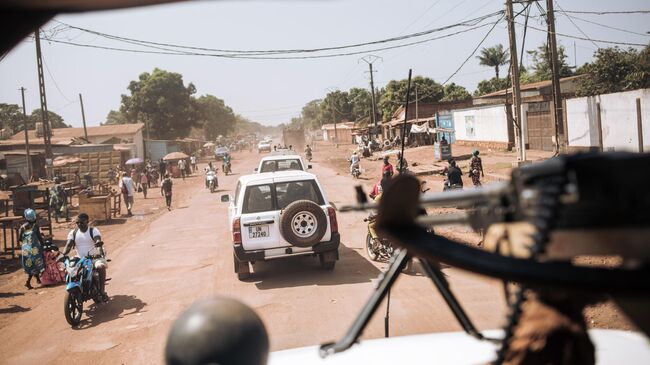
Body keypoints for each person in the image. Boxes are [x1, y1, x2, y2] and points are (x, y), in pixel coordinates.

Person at [63, 213, 108, 302]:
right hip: (80, 259)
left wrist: (98, 243)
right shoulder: (73, 232)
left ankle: (102, 291)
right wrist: (63, 254)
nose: (79, 224)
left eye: (82, 222)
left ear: (87, 221)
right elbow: (68, 245)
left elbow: (97, 239)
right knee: (69, 269)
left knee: (100, 267)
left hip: (94, 258)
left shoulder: (93, 230)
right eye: (77, 223)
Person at [18, 208, 45, 289]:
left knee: (30, 265)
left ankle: (37, 279)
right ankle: (28, 282)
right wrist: (43, 245)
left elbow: (19, 239)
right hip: (34, 249)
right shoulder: (35, 226)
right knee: (36, 264)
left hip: (26, 250)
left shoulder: (22, 227)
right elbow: (40, 237)